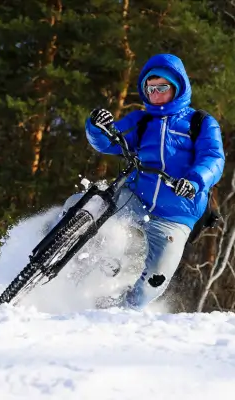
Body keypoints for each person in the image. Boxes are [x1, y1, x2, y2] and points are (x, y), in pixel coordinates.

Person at [85, 53, 225, 310]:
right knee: (90, 205)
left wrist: (193, 182)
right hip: (136, 199)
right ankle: (66, 245)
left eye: (162, 87)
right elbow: (111, 141)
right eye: (150, 88)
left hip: (176, 216)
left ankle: (122, 311)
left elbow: (214, 159)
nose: (156, 94)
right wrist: (97, 127)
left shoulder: (200, 122)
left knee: (156, 278)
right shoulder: (141, 120)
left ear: (177, 87)